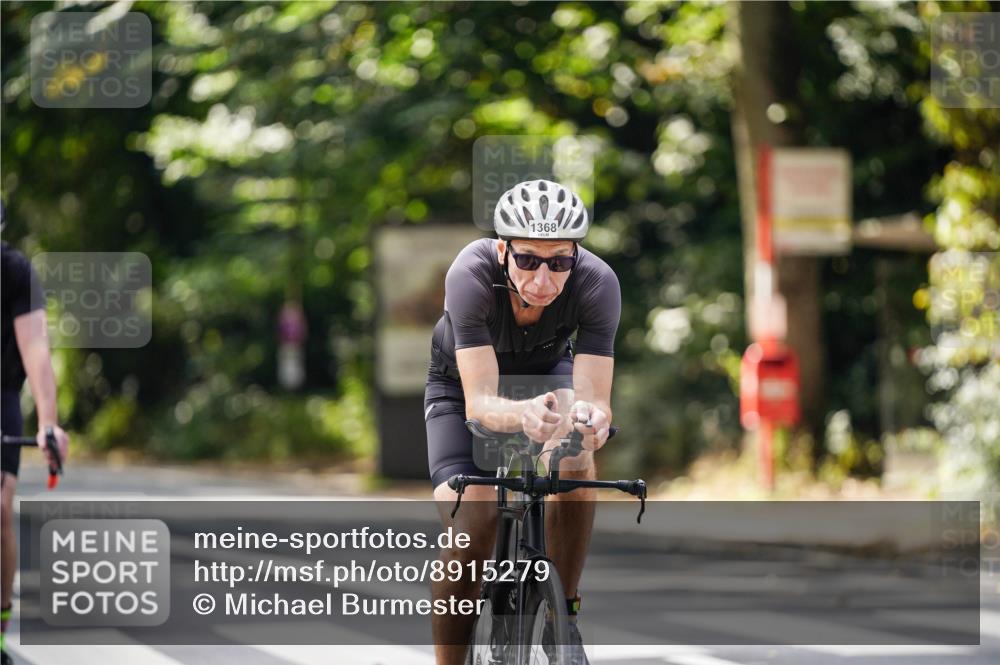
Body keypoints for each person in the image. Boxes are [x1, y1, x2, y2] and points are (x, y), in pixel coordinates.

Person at [425, 179, 620, 665]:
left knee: (577, 455)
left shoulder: (598, 282)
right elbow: (481, 403)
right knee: (475, 522)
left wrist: (592, 420)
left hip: (546, 375)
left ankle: (563, 616)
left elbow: (596, 398)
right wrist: (522, 413)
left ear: (576, 255)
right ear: (502, 250)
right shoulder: (469, 274)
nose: (542, 278)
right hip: (460, 387)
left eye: (559, 262)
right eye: (528, 259)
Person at [1, 203, 70, 665]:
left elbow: (36, 349)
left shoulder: (15, 272)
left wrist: (48, 421)